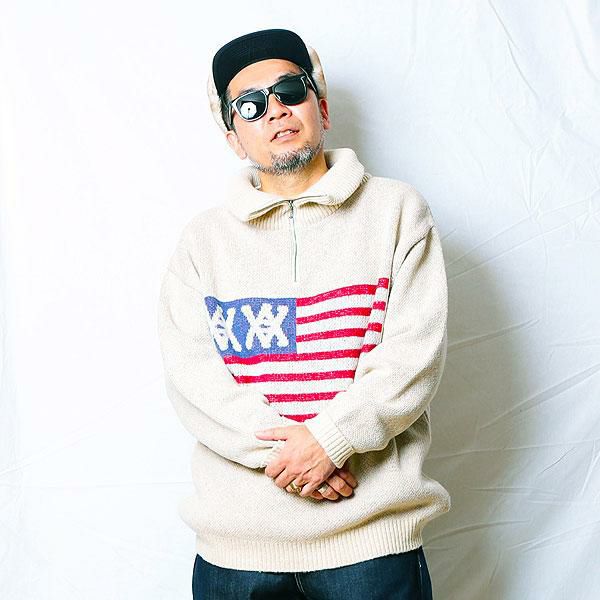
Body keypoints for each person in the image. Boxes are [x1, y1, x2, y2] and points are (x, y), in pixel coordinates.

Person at [158, 27, 451, 599]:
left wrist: (332, 438)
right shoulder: (202, 243)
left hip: (370, 543)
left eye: (290, 91)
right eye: (251, 105)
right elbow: (192, 379)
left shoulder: (397, 212)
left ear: (322, 107)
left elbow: (413, 358)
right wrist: (301, 454)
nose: (275, 111)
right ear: (233, 137)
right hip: (237, 552)